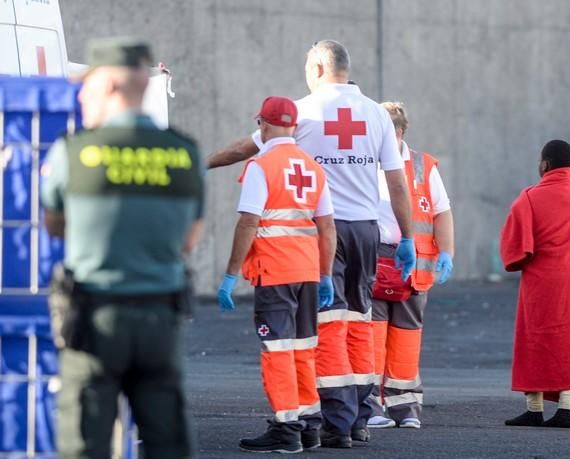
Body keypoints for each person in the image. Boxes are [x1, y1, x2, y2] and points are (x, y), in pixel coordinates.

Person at [207, 40, 416, 448]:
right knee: (360, 323)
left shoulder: (302, 110)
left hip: (326, 233)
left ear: (320, 67)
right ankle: (358, 417)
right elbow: (396, 183)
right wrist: (407, 237)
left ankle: (335, 423)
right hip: (367, 231)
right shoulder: (375, 113)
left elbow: (243, 149)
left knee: (330, 326)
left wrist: (204, 163)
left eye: (307, 65)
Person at [41, 38, 204, 458]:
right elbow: (189, 239)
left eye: (88, 85)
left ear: (111, 85)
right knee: (167, 441)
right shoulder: (184, 154)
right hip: (160, 320)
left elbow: (55, 224)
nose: (81, 94)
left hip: (95, 320)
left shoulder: (73, 153)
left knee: (84, 443)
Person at [216, 96, 337, 453]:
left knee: (277, 350)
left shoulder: (261, 165)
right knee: (303, 349)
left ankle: (286, 429)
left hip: (275, 272)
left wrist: (230, 274)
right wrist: (326, 274)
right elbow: (327, 227)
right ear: (294, 127)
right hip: (308, 272)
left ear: (264, 125)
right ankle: (309, 425)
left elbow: (248, 222)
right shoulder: (313, 168)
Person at [367, 102, 454, 430]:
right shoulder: (365, 161)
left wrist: (447, 251)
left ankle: (405, 407)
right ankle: (371, 404)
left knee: (406, 334)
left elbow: (441, 210)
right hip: (374, 257)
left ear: (401, 132)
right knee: (372, 334)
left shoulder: (421, 166)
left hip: (414, 266)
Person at [499, 139, 570, 428]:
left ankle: (534, 408)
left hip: (541, 282)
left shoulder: (530, 197)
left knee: (535, 341)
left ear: (546, 164)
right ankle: (565, 410)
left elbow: (517, 247)